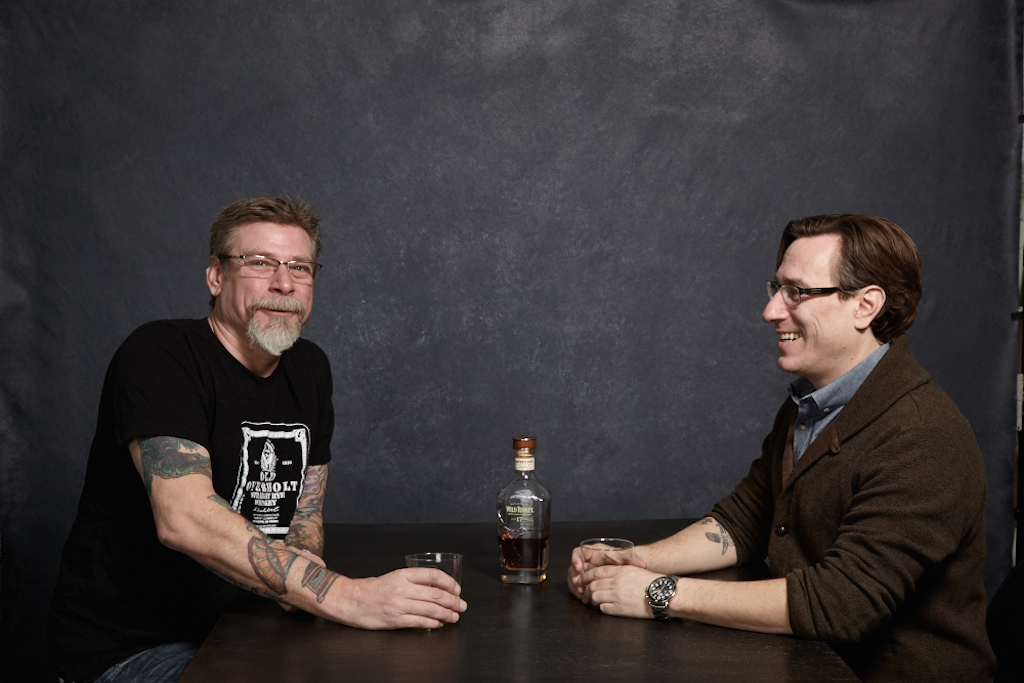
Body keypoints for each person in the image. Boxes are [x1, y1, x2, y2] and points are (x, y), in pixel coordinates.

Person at [48, 197, 466, 683]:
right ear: (215, 276)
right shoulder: (159, 355)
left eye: (299, 268)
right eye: (259, 263)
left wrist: (302, 577)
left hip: (246, 626)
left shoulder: (309, 369)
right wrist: (345, 596)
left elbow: (305, 512)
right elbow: (183, 518)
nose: (283, 283)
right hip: (132, 648)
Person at [568, 214, 995, 681]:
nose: (771, 311)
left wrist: (659, 594)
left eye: (798, 292)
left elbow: (840, 604)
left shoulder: (923, 435)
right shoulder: (811, 404)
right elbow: (746, 519)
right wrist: (637, 560)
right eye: (776, 288)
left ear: (866, 305)